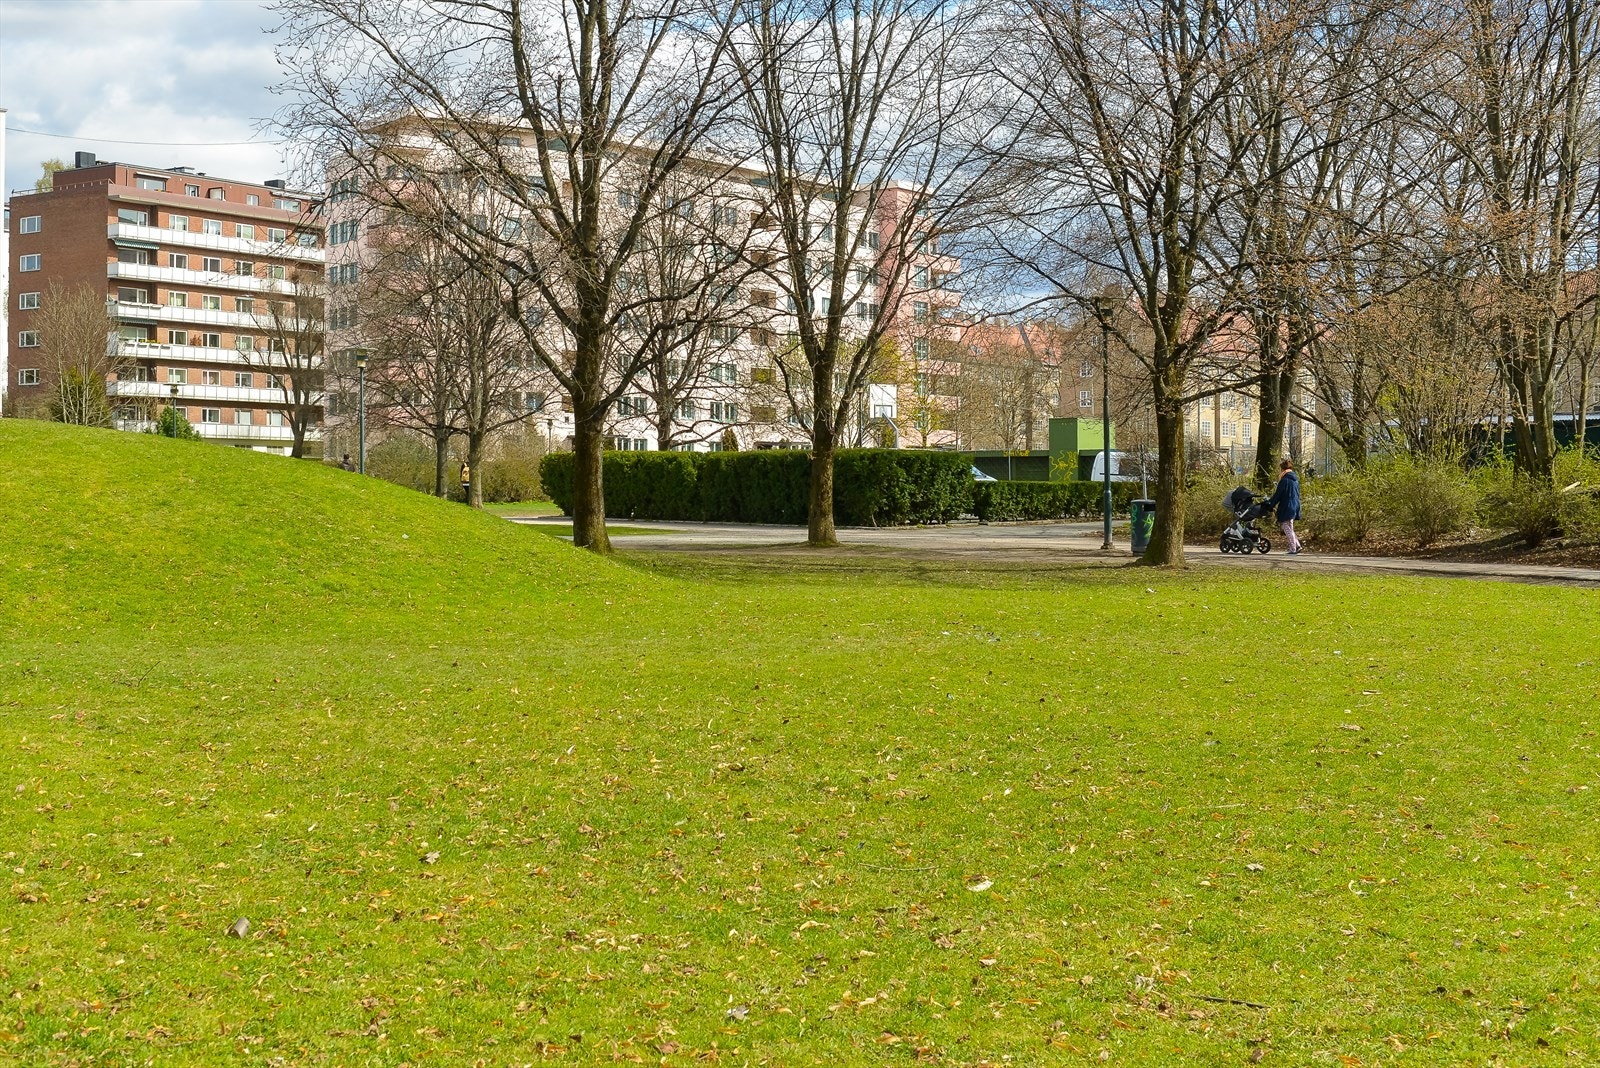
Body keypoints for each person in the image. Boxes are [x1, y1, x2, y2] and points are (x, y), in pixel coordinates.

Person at [1263, 457, 1302, 555]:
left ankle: (1293, 548)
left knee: (1286, 526)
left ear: (1282, 469)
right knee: (1290, 526)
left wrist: (1270, 504)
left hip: (1287, 505)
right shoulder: (1295, 479)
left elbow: (1278, 494)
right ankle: (1297, 545)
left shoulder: (1284, 480)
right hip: (1295, 504)